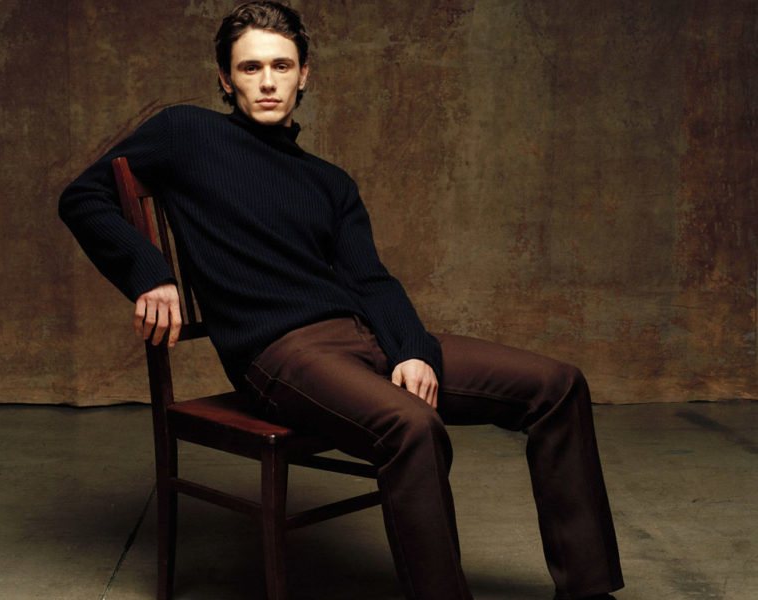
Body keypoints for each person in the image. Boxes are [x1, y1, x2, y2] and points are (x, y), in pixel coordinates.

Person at [59, 2, 624, 599]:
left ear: (304, 74)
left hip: (364, 336)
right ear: (226, 79)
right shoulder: (187, 132)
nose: (268, 82)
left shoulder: (329, 180)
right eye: (250, 68)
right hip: (281, 354)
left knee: (558, 386)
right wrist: (151, 273)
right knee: (412, 426)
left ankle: (587, 592)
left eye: (282, 66)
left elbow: (372, 280)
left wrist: (411, 349)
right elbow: (83, 196)